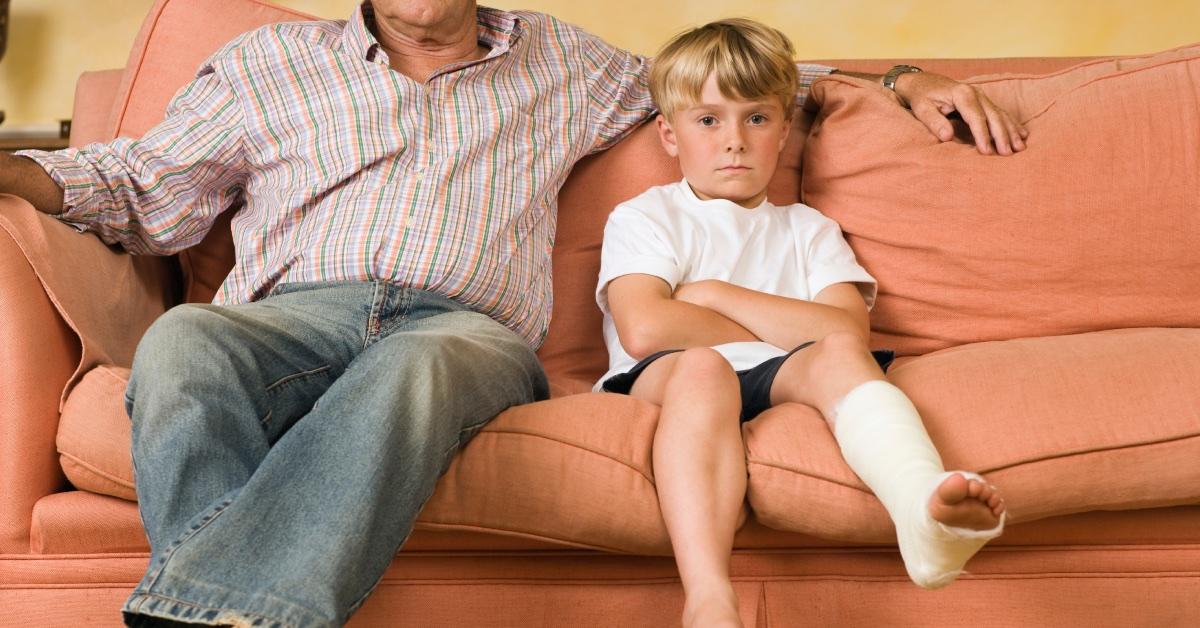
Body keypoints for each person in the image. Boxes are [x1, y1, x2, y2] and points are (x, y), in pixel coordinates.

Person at [0, 2, 1024, 626]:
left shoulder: (562, 62)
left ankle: (212, 609)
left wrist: (898, 78)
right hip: (294, 318)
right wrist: (15, 175)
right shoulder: (270, 68)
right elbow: (139, 183)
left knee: (417, 366)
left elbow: (729, 92)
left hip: (463, 332)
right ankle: (226, 614)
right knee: (182, 339)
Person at [594, 19, 1006, 628]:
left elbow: (846, 334)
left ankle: (921, 509)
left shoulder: (807, 229)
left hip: (775, 372)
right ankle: (709, 600)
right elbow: (648, 330)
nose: (734, 139)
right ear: (670, 135)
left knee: (839, 359)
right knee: (704, 368)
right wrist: (788, 327)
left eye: (756, 119)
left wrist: (714, 294)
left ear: (785, 130)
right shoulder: (647, 216)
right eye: (708, 120)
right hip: (669, 375)